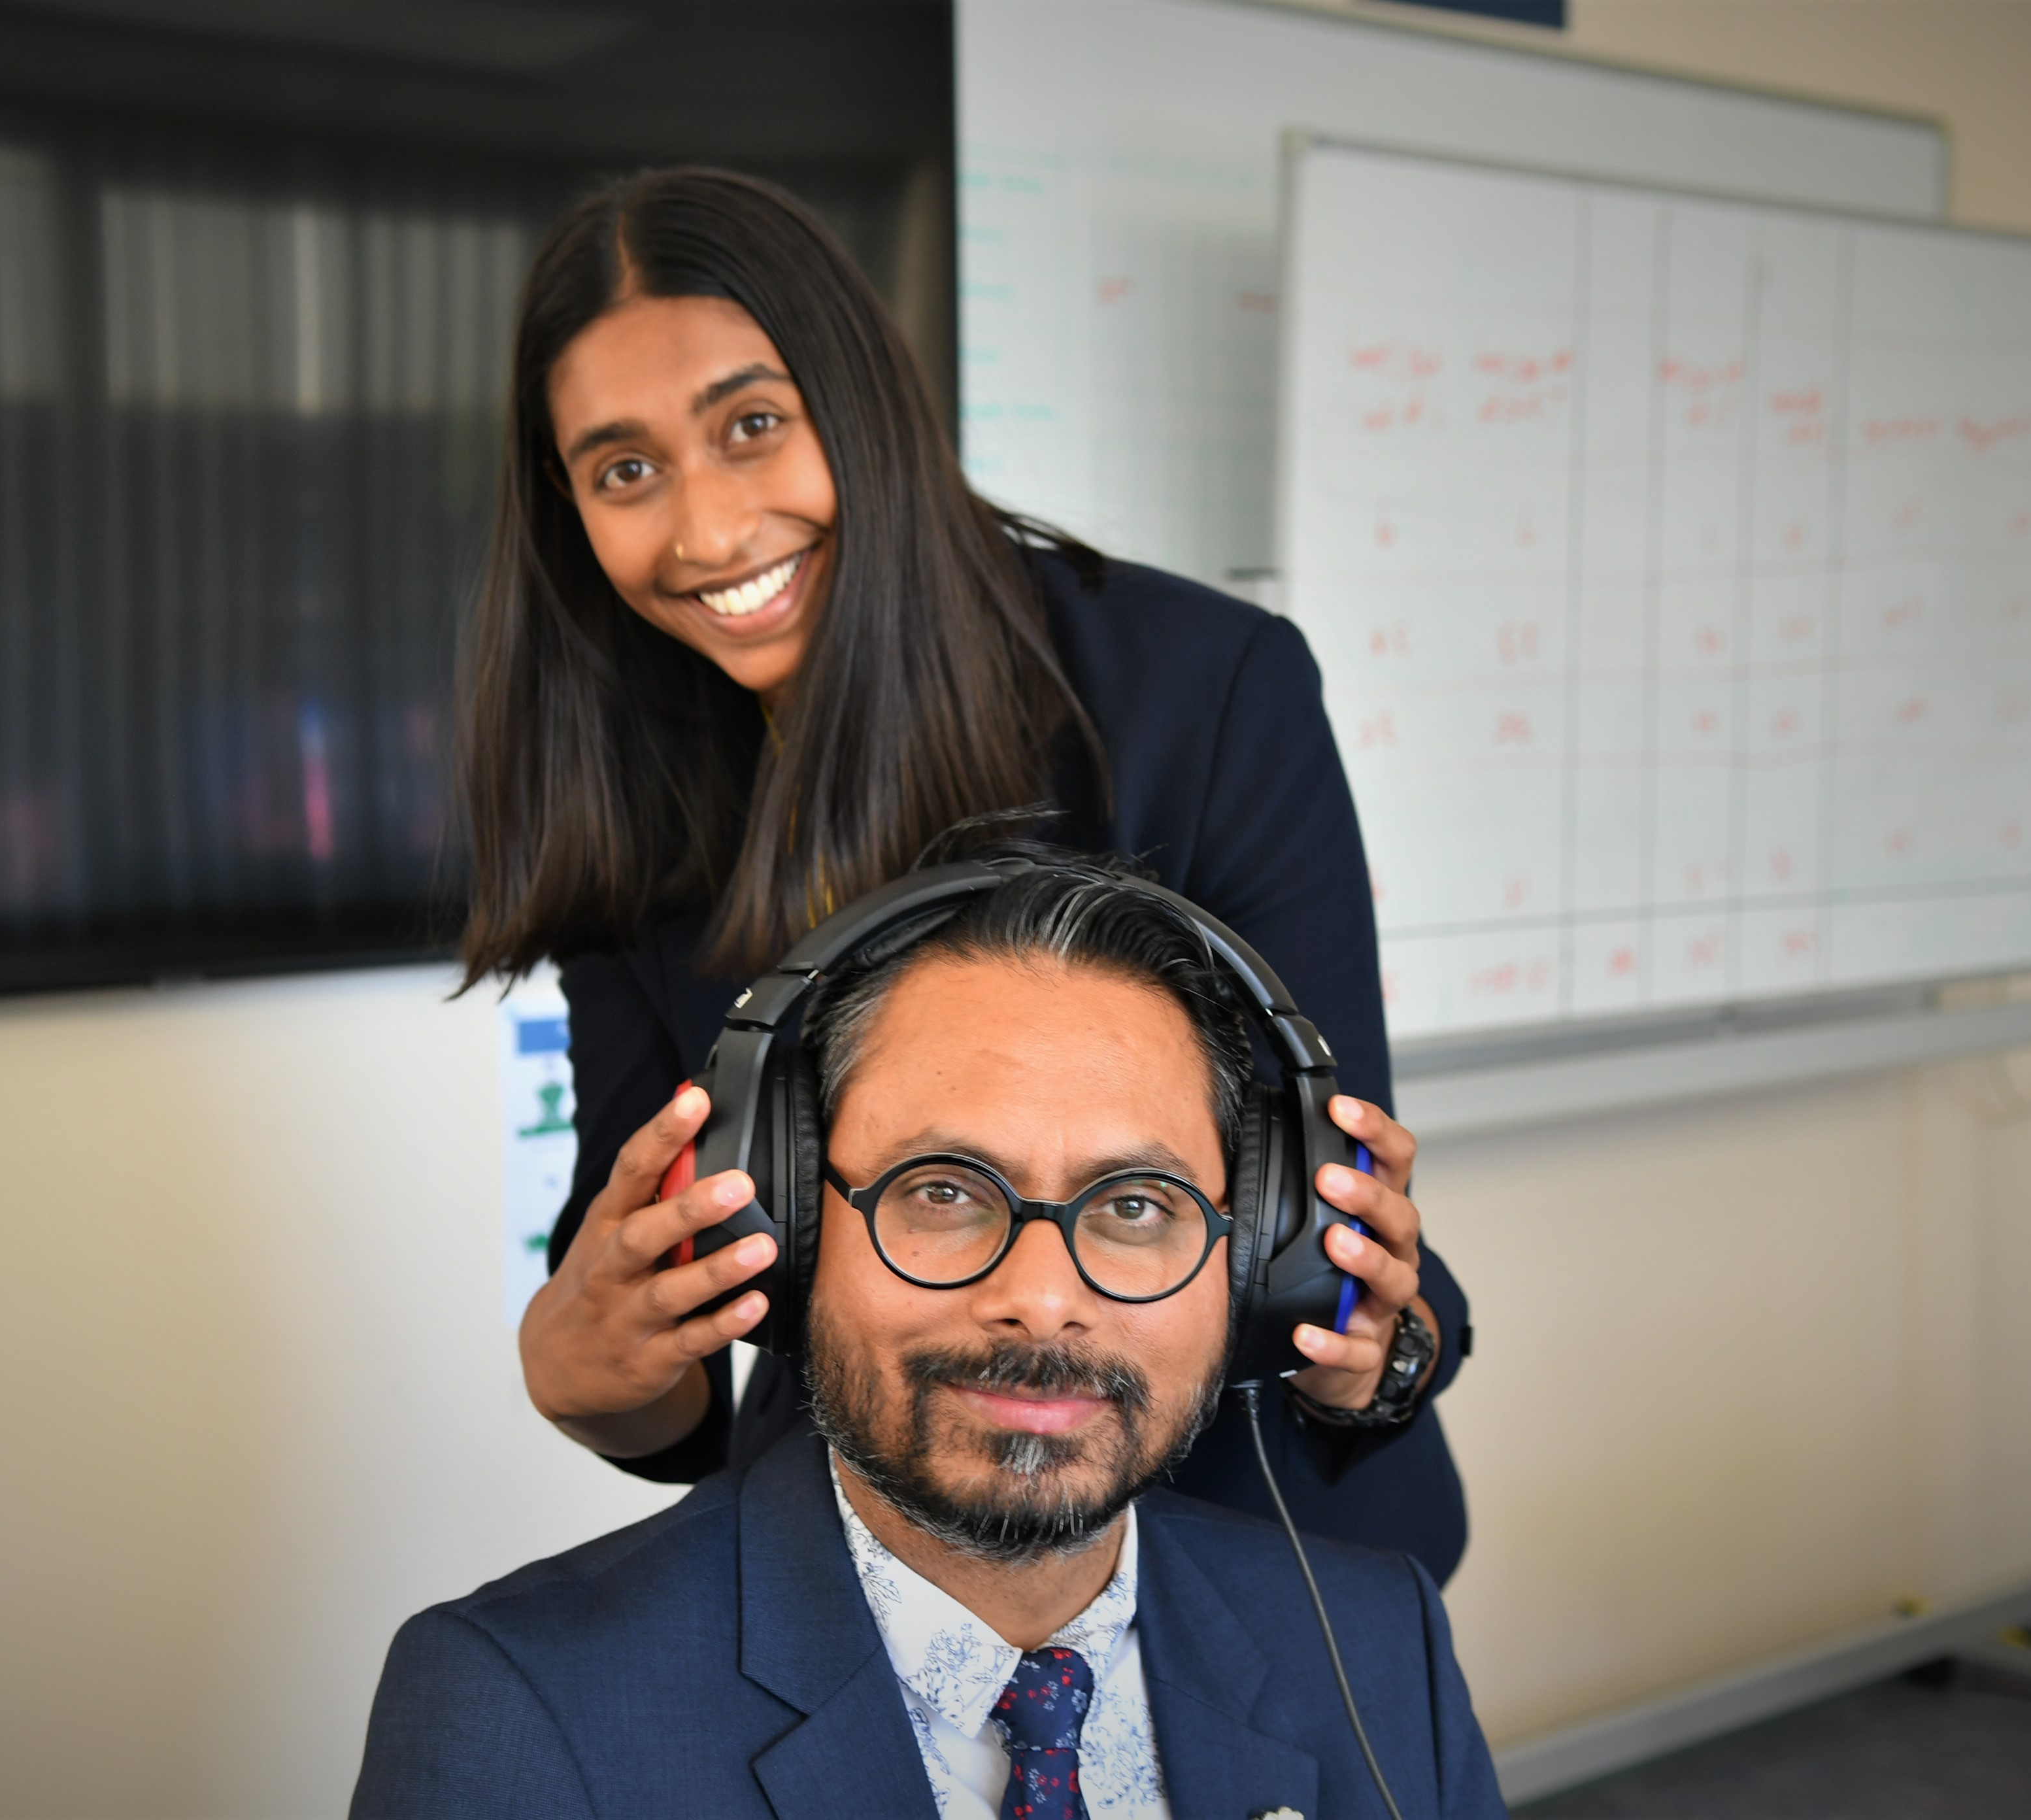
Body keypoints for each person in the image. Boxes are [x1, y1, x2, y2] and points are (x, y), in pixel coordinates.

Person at [465, 166, 1473, 1574]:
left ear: (862, 404)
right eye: (626, 471)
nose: (704, 532)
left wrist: (1374, 1346)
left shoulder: (1202, 687)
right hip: (861, 1567)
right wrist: (591, 1371)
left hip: (1232, 1545)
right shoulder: (631, 782)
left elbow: (1348, 1249)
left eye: (753, 426)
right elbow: (668, 1349)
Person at [355, 857, 1504, 1819]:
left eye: (1137, 1206)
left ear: (1259, 1262)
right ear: (787, 1221)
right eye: (944, 1193)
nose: (1043, 1299)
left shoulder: (1380, 1641)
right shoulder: (512, 1705)